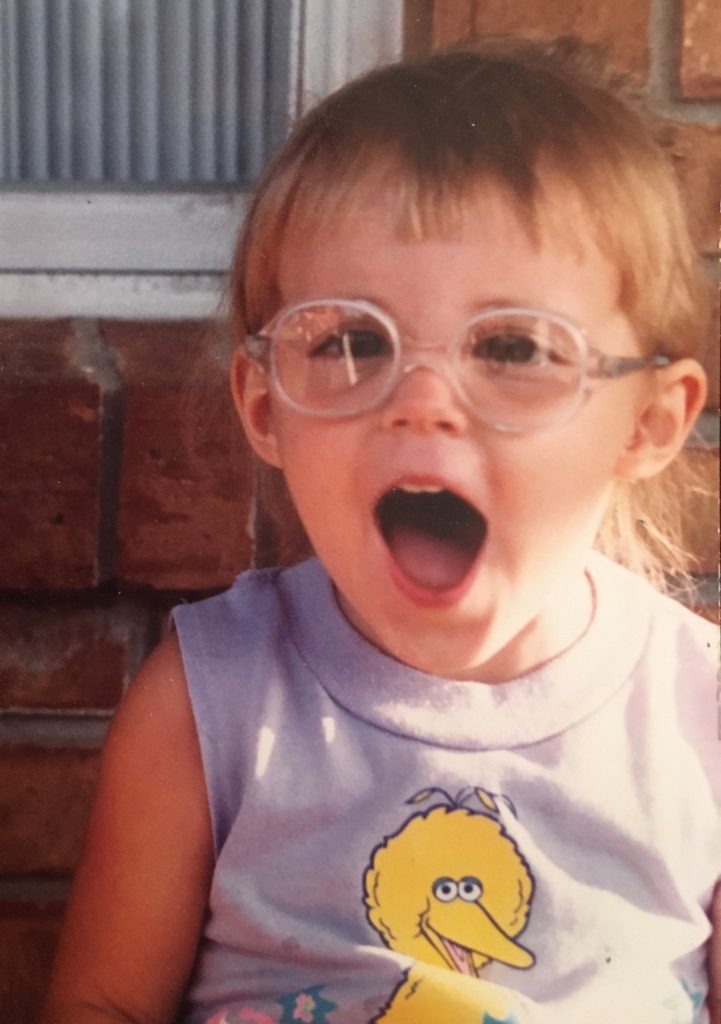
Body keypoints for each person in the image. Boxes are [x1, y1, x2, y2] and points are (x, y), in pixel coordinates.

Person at [41, 39, 719, 1024]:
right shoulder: (210, 702)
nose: (423, 401)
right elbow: (103, 1003)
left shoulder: (697, 713)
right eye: (353, 340)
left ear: (649, 422)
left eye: (515, 346)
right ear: (265, 405)